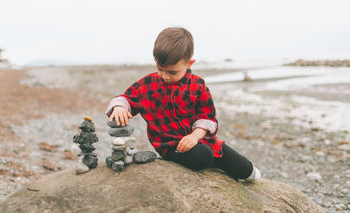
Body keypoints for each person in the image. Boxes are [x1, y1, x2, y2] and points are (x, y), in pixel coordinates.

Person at [105, 27, 261, 181]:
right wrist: (119, 107)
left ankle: (238, 168)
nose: (165, 76)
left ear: (189, 64)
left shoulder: (197, 85)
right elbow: (127, 98)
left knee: (246, 171)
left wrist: (195, 136)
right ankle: (204, 160)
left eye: (172, 72)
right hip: (171, 145)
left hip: (199, 139)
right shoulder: (149, 84)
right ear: (156, 62)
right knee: (203, 156)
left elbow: (208, 117)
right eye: (160, 69)